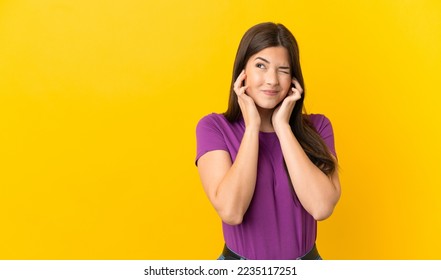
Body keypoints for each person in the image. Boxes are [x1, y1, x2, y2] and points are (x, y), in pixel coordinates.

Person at [195, 22, 341, 260]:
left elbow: (321, 207)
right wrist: (251, 127)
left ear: (294, 79)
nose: (272, 80)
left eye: (283, 70)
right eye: (261, 66)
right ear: (242, 73)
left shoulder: (319, 126)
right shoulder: (214, 128)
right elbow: (232, 212)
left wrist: (282, 127)